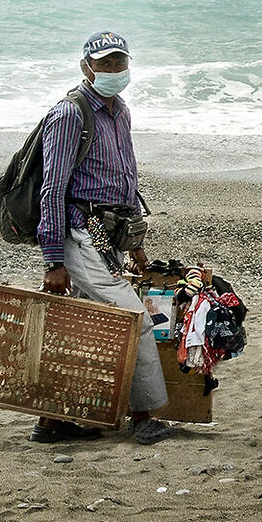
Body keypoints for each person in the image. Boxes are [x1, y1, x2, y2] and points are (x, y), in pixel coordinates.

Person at [33, 29, 175, 445]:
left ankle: (51, 422)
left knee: (82, 330)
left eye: (119, 62)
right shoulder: (70, 114)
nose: (114, 69)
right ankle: (144, 417)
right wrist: (53, 261)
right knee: (136, 321)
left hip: (109, 234)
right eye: (104, 63)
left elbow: (128, 180)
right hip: (81, 233)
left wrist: (136, 243)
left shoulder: (121, 111)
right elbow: (52, 189)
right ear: (86, 67)